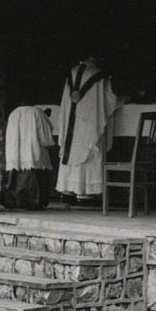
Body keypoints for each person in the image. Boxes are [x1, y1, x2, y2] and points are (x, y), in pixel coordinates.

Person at [55, 56, 120, 204]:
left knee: (72, 148)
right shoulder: (99, 73)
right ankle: (85, 194)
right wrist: (121, 100)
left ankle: (67, 190)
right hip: (89, 121)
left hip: (73, 121)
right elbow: (110, 99)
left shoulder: (72, 71)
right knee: (90, 145)